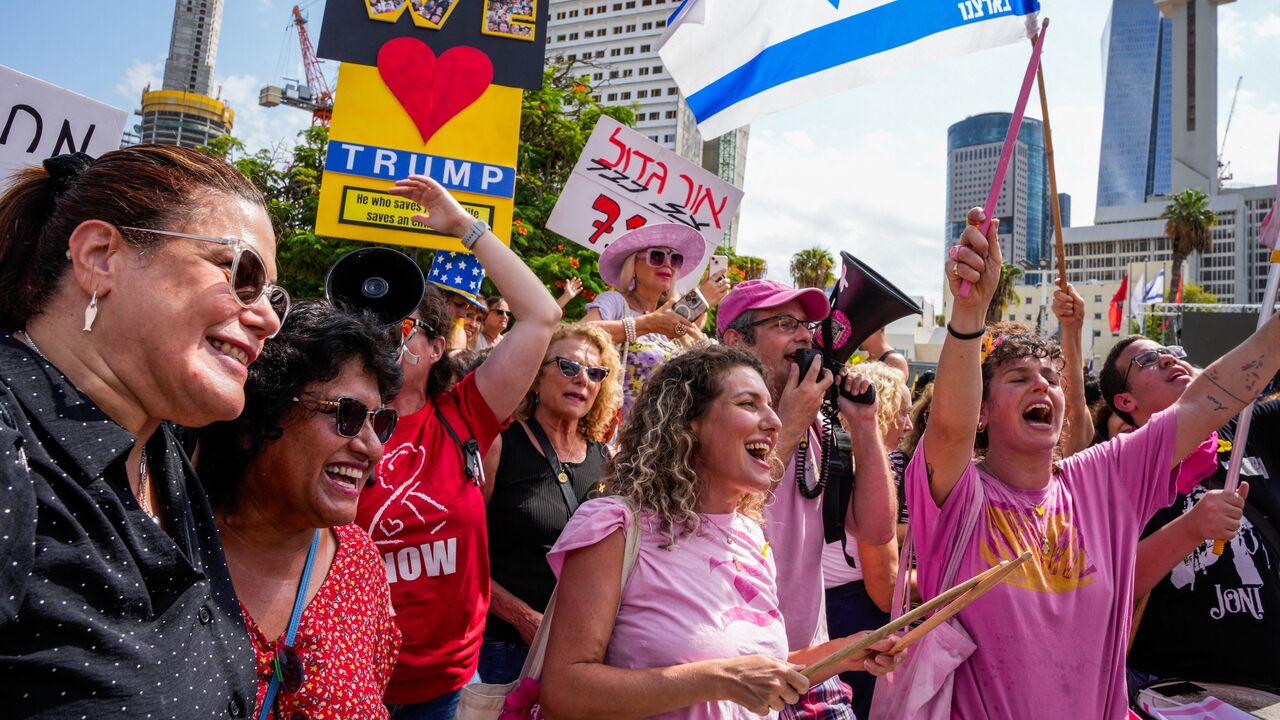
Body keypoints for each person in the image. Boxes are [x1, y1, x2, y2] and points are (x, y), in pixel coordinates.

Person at [907, 207, 1279, 718]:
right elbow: (946, 429)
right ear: (982, 412)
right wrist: (969, 314)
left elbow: (1209, 396)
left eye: (1050, 378)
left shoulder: (1106, 478)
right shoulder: (958, 497)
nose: (1041, 385)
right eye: (1018, 378)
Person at [0, 146, 286, 717]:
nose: (270, 319)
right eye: (243, 274)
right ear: (101, 257)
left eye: (274, 297)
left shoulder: (159, 451)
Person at [540, 346, 901, 720]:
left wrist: (846, 651)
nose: (774, 421)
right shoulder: (615, 528)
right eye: (749, 404)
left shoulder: (751, 535)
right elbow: (564, 690)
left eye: (769, 406)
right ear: (688, 423)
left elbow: (756, 670)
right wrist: (720, 679)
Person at [354, 175, 562, 720]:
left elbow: (542, 315)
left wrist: (464, 228)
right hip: (346, 670)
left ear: (437, 345)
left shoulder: (463, 412)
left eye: (399, 325)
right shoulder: (325, 419)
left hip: (443, 683)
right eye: (366, 326)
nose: (382, 339)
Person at [199, 301, 403, 719]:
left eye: (379, 422)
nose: (372, 447)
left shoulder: (359, 564)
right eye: (346, 415)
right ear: (257, 419)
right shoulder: (168, 548)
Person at [718, 278, 898, 718]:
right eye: (784, 323)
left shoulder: (817, 423)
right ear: (736, 340)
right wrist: (790, 421)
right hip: (738, 673)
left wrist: (864, 425)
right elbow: (734, 510)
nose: (805, 336)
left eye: (807, 324)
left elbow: (875, 528)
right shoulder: (710, 421)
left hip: (813, 666)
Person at [1101, 335, 1280, 693]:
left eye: (1170, 351)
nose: (1167, 359)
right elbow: (1106, 585)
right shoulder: (1113, 471)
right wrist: (1191, 528)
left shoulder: (1248, 427)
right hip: (1175, 693)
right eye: (1148, 359)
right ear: (1126, 401)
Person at [478, 323, 622, 684]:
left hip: (582, 655)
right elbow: (462, 554)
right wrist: (523, 617)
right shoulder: (500, 445)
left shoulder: (606, 460)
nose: (582, 380)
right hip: (505, 649)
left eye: (595, 373)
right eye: (568, 367)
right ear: (536, 377)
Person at [819, 361, 911, 719]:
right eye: (901, 412)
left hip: (827, 613)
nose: (906, 424)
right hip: (854, 619)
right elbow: (885, 588)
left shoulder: (829, 457)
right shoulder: (867, 470)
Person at [584, 223, 729, 419]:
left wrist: (699, 311)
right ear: (633, 265)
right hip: (614, 435)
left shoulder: (672, 315)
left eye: (675, 259)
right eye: (657, 256)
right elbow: (581, 334)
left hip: (659, 440)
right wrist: (648, 323)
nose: (667, 264)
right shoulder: (615, 302)